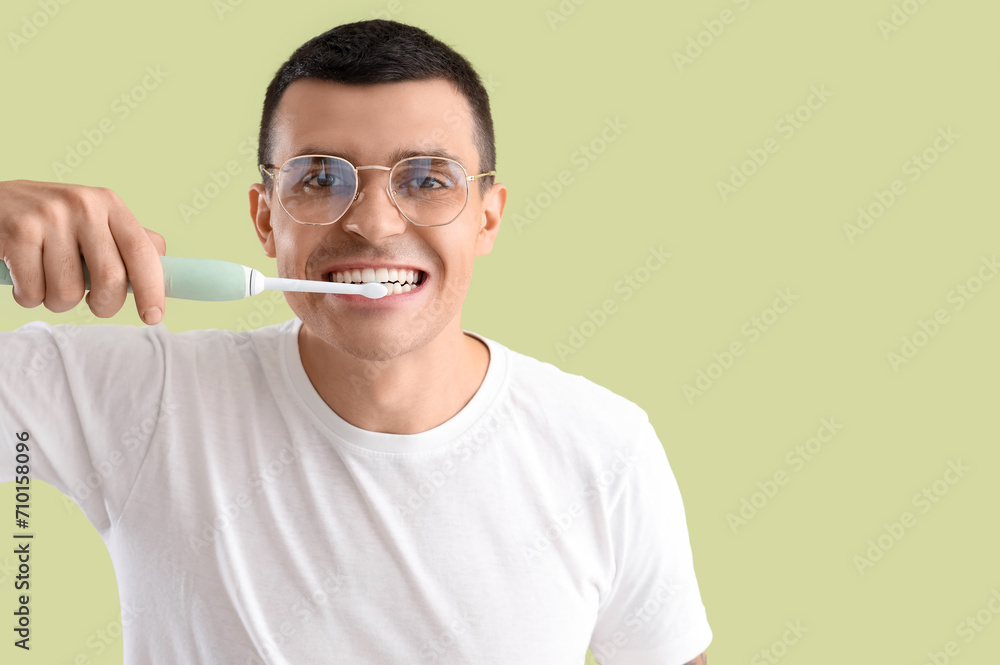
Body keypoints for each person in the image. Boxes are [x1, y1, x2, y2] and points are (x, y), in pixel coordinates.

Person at [0, 19, 712, 664]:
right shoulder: (141, 402)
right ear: (266, 217)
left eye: (428, 179)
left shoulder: (606, 449)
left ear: (487, 218)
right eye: (318, 179)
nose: (373, 223)